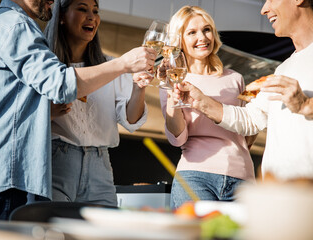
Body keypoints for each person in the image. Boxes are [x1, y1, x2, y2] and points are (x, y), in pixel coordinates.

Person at [0, 0, 156, 220]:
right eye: (81, 9)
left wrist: (43, 112)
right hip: (2, 180)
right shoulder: (16, 26)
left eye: (95, 11)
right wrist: (124, 64)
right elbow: (60, 84)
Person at [173, 0, 313, 182]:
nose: (264, 9)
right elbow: (250, 119)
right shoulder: (284, 68)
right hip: (278, 190)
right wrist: (201, 101)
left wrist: (306, 105)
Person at [44, 0, 152, 206]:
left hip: (100, 165)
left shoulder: (112, 66)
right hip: (56, 161)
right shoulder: (46, 67)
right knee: (55, 233)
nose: (92, 17)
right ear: (61, 18)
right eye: (82, 9)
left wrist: (139, 88)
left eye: (95, 11)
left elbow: (131, 120)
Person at [158, 6, 256, 208]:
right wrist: (171, 93)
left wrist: (259, 113)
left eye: (206, 29)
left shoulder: (235, 79)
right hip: (195, 177)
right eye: (192, 32)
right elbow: (177, 138)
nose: (202, 37)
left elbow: (247, 134)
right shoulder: (172, 81)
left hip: (242, 179)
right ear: (179, 41)